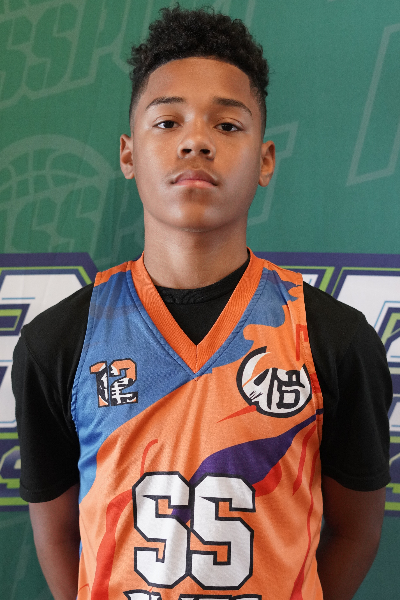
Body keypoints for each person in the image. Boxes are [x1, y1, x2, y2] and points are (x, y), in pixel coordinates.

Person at [12, 6, 392, 600]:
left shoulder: (333, 340)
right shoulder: (58, 343)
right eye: (167, 122)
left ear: (265, 160)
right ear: (128, 154)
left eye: (228, 125)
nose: (196, 141)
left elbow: (357, 531)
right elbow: (57, 535)